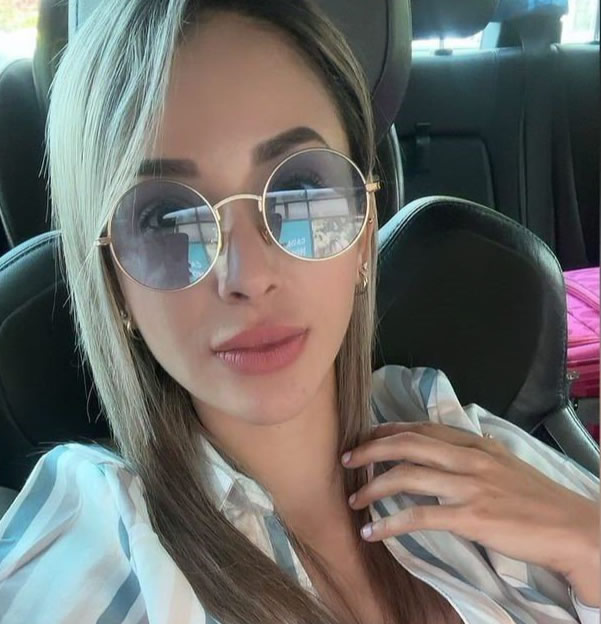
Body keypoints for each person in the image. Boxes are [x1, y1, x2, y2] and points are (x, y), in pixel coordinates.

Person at [0, 1, 598, 623]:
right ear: (113, 282)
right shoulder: (99, 545)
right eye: (166, 219)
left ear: (363, 232)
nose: (248, 277)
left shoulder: (452, 428)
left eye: (300, 191)